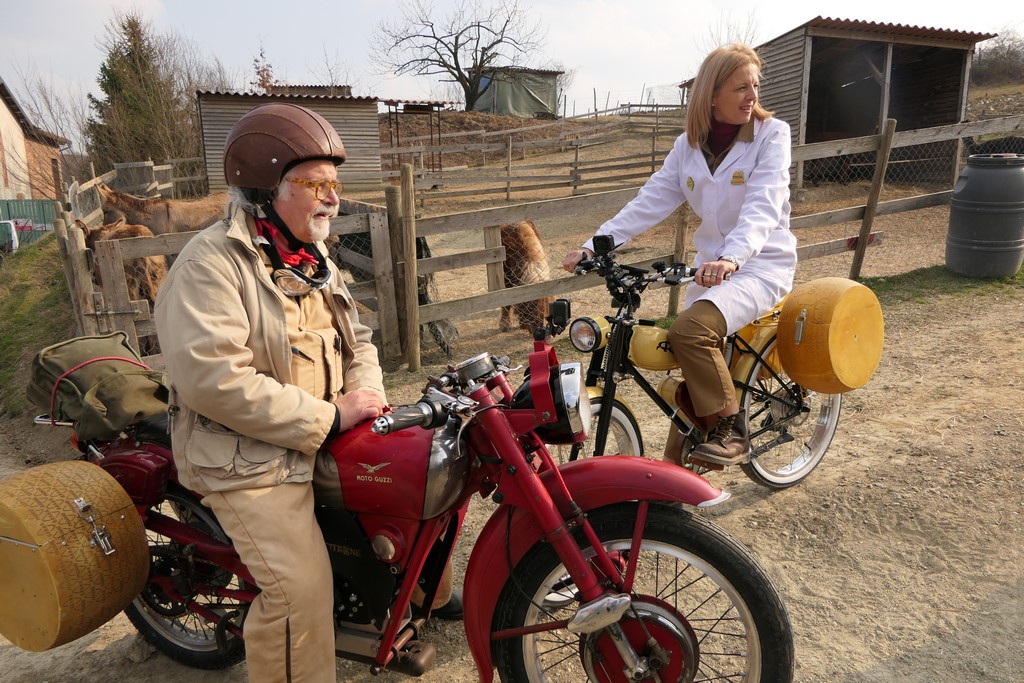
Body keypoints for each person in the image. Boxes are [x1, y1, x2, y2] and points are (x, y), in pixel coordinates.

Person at [154, 103, 460, 683]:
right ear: (268, 188)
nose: (332, 198)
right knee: (299, 593)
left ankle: (413, 600)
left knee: (415, 487)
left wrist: (365, 399)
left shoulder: (310, 257)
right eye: (316, 184)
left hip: (320, 435)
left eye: (335, 184)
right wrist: (330, 414)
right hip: (247, 458)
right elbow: (214, 381)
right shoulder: (211, 264)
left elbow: (359, 341)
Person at [563, 44, 797, 467]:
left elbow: (764, 204)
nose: (752, 96)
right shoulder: (688, 146)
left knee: (690, 333)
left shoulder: (771, 135)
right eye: (741, 87)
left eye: (755, 86)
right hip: (710, 270)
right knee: (689, 373)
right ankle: (674, 478)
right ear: (711, 94)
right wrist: (594, 246)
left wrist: (733, 257)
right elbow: (649, 201)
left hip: (759, 264)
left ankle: (735, 432)